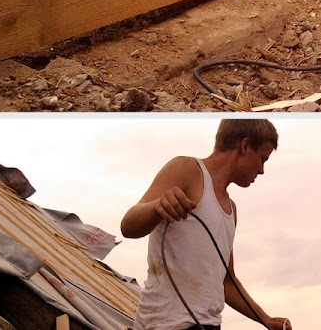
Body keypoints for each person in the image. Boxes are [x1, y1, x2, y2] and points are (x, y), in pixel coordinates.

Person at [121, 119, 292, 330]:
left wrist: (265, 319)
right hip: (166, 324)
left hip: (209, 325)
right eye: (262, 159)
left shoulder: (231, 209)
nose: (262, 170)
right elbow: (128, 226)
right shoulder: (187, 169)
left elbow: (226, 281)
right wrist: (157, 205)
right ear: (245, 146)